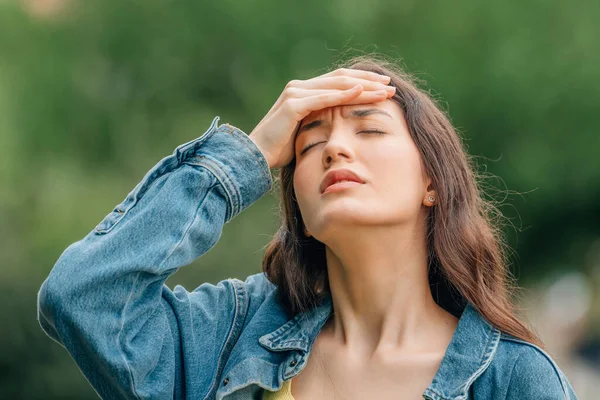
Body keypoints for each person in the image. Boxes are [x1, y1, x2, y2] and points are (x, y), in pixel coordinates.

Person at [37, 55, 578, 399]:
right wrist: (243, 157)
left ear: (431, 182)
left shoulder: (513, 380)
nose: (336, 146)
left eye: (368, 130)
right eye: (310, 144)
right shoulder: (230, 336)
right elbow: (82, 296)